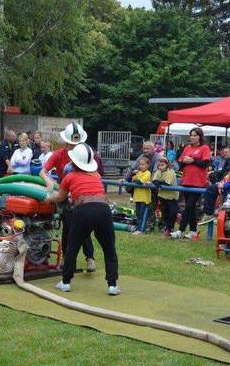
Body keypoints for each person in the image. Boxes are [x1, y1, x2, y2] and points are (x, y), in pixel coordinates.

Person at [45, 143, 120, 296]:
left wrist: (48, 199)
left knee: (73, 246)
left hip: (83, 211)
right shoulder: (96, 176)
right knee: (109, 248)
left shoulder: (69, 177)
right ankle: (112, 285)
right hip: (103, 209)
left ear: (73, 161)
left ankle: (65, 282)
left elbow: (60, 198)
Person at [39, 122, 97, 273]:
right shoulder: (58, 155)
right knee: (68, 227)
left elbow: (94, 173)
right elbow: (43, 171)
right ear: (66, 142)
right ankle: (66, 258)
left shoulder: (85, 154)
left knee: (84, 226)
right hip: (65, 195)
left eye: (77, 144)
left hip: (81, 195)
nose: (74, 146)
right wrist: (49, 182)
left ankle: (90, 257)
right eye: (72, 144)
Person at [171, 127, 211, 239]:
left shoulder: (205, 148)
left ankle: (180, 230)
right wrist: (184, 161)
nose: (192, 137)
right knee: (191, 207)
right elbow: (180, 165)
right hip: (186, 180)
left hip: (198, 183)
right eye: (191, 135)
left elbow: (205, 164)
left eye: (195, 135)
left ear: (200, 137)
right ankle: (193, 231)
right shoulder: (187, 148)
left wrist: (193, 160)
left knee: (189, 206)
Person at [152, 156, 179, 236]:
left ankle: (170, 228)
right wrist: (157, 183)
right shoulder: (158, 171)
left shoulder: (170, 171)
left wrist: (158, 183)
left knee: (172, 213)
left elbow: (167, 184)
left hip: (172, 196)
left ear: (167, 165)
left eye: (162, 165)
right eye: (159, 165)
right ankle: (166, 228)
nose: (160, 167)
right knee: (165, 212)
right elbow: (154, 180)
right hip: (162, 195)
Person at [131, 156, 152, 235]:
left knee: (143, 214)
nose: (141, 166)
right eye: (140, 164)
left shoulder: (148, 173)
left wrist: (136, 179)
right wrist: (134, 173)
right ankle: (138, 228)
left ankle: (141, 230)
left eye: (143, 164)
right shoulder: (139, 173)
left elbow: (140, 181)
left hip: (144, 198)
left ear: (147, 165)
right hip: (137, 197)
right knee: (138, 214)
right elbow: (133, 179)